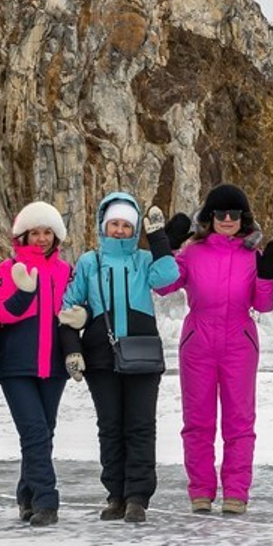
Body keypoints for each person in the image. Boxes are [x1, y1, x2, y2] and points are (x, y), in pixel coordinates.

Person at [159, 184, 273, 514]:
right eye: (220, 214)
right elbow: (163, 284)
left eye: (234, 214)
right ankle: (200, 489)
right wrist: (166, 248)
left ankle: (236, 492)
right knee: (197, 421)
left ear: (244, 218)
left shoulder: (251, 255)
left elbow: (264, 304)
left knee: (239, 422)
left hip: (239, 342)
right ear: (209, 218)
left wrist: (268, 275)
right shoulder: (192, 252)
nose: (227, 219)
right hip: (198, 341)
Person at [63, 192, 180, 524]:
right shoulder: (89, 262)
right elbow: (69, 308)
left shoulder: (144, 260)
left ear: (134, 228)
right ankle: (115, 494)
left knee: (141, 426)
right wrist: (72, 348)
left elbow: (168, 277)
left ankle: (138, 497)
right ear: (104, 225)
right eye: (113, 223)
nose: (119, 230)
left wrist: (158, 238)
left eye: (126, 225)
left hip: (142, 355)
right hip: (100, 356)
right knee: (111, 427)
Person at [0, 201, 80, 527]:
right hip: (17, 366)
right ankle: (46, 501)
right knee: (35, 432)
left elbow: (70, 315)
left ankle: (26, 496)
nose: (41, 239)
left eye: (47, 233)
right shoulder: (8, 268)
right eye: (35, 233)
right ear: (23, 236)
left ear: (55, 236)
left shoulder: (65, 271)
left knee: (44, 433)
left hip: (53, 367)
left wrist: (78, 319)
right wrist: (24, 294)